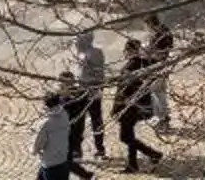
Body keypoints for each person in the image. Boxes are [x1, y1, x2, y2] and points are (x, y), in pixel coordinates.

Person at [114, 37, 163, 170]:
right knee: (129, 136)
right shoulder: (144, 63)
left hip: (129, 106)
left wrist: (119, 107)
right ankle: (133, 164)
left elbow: (124, 89)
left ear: (129, 50)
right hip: (134, 105)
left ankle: (152, 154)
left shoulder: (132, 65)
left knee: (125, 137)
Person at [70, 31, 110, 161]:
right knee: (79, 121)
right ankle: (77, 149)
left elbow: (99, 73)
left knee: (95, 120)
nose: (75, 44)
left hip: (92, 91)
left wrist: (98, 87)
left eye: (77, 42)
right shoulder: (81, 53)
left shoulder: (95, 53)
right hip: (80, 91)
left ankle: (99, 148)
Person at [35, 89, 91, 180]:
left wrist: (35, 150)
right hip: (60, 157)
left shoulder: (46, 123)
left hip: (52, 162)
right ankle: (86, 175)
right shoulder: (63, 114)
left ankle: (86, 175)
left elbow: (37, 144)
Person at [142, 12, 175, 130]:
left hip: (157, 68)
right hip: (164, 67)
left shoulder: (157, 36)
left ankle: (163, 120)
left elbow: (158, 54)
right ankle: (164, 118)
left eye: (146, 25)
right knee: (160, 94)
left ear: (150, 24)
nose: (146, 29)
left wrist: (146, 51)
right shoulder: (165, 30)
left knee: (157, 94)